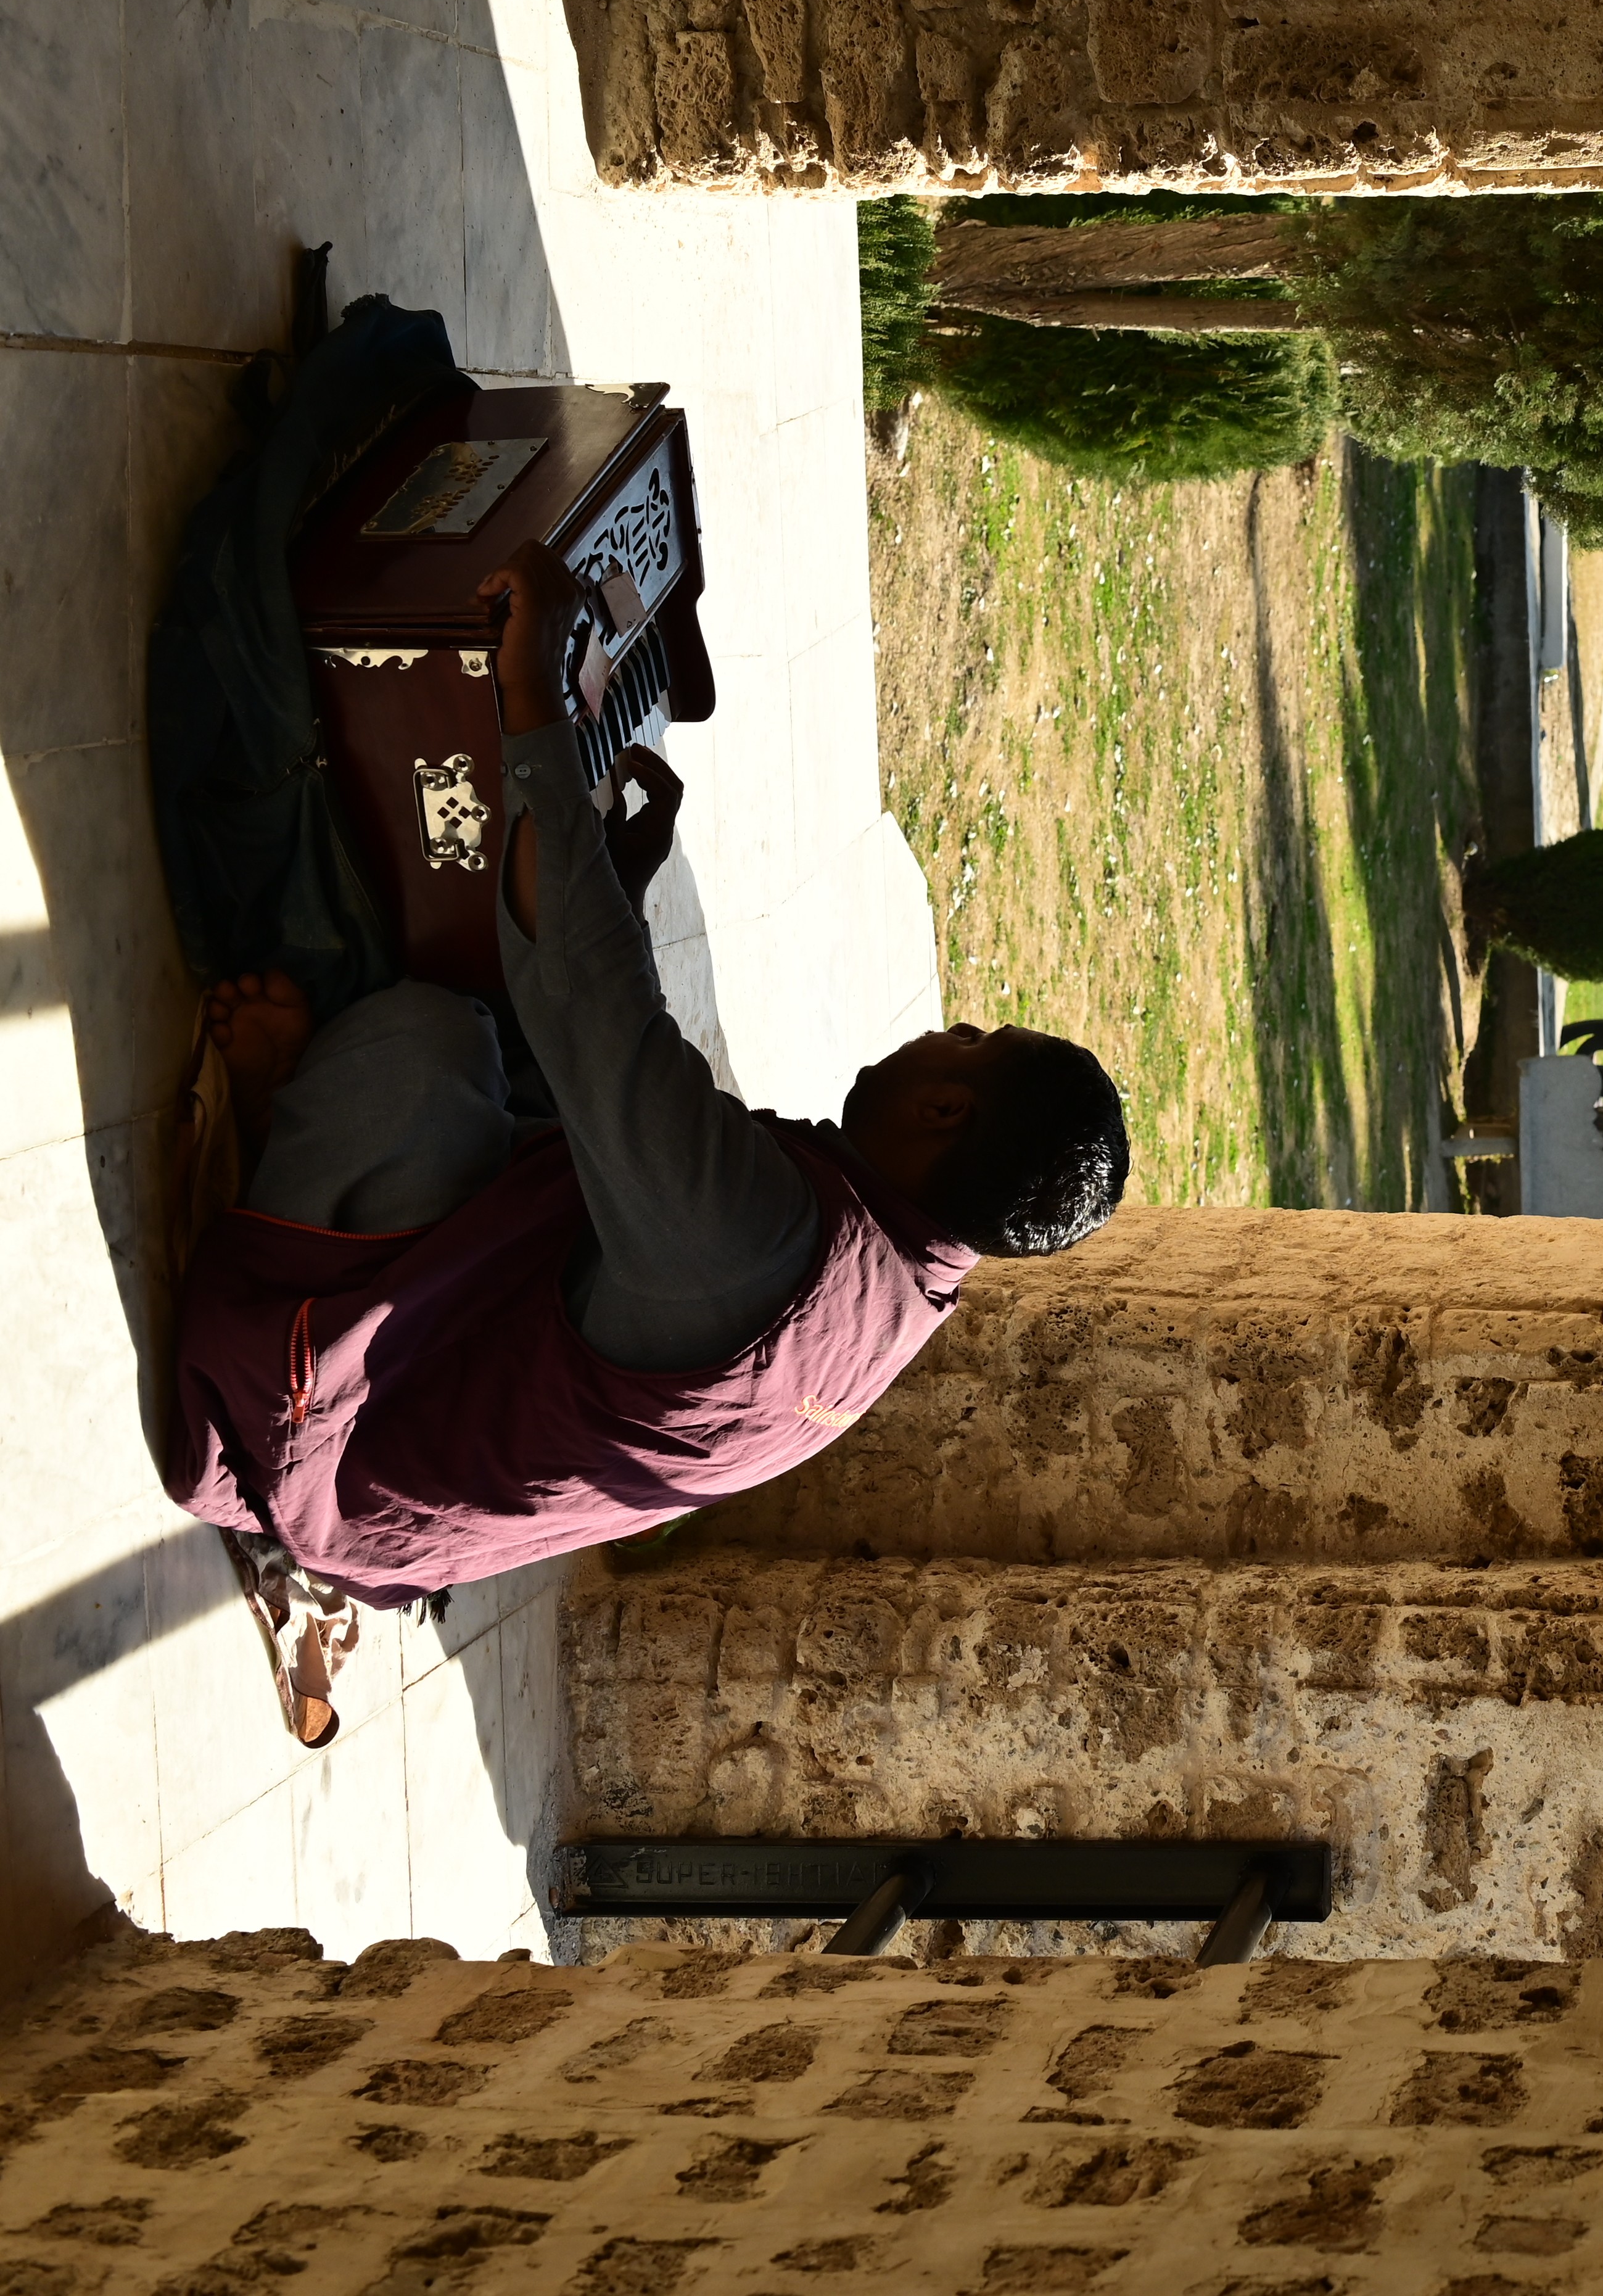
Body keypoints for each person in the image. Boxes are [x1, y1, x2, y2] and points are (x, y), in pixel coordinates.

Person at [168, 539, 1127, 1743]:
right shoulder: (899, 1293)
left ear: (950, 1113)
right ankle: (304, 1165)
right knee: (502, 1064)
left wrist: (531, 707)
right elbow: (617, 1096)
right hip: (403, 1524)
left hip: (323, 1447)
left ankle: (272, 1168)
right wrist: (609, 868)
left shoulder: (761, 1241)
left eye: (972, 1040)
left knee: (424, 1041)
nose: (945, 1033)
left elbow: (586, 1000)